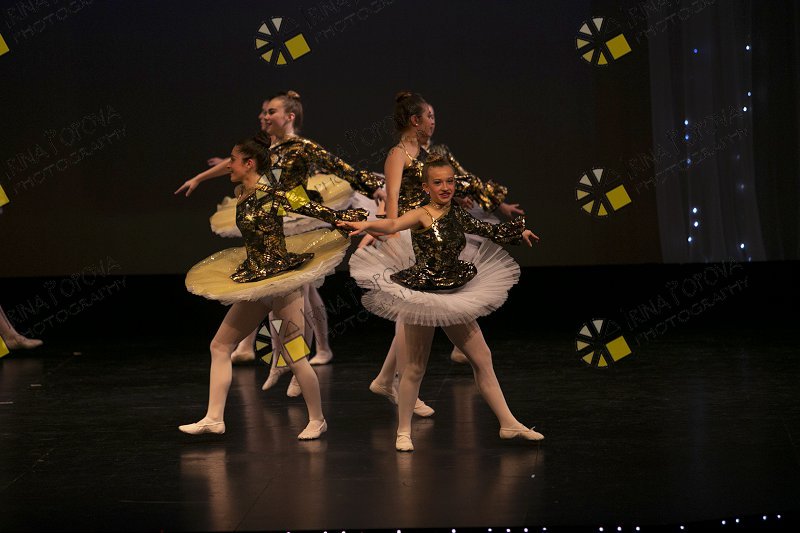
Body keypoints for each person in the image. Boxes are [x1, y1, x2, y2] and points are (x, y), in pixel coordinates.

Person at [341, 157, 544, 451]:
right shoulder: (421, 214)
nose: (445, 187)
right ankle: (403, 431)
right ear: (426, 187)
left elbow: (484, 229)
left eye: (449, 181)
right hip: (424, 294)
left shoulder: (456, 213)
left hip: (452, 291)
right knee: (414, 367)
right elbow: (393, 223)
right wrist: (365, 224)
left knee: (482, 357)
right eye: (438, 182)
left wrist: (518, 231)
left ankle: (508, 423)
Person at [179, 131, 367, 439]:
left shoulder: (272, 193)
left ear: (249, 163)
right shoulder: (242, 192)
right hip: (256, 282)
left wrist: (348, 220)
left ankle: (317, 419)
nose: (229, 165)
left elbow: (312, 209)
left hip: (281, 284)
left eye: (233, 160)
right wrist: (200, 177)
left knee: (294, 356)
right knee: (220, 345)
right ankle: (214, 418)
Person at [367, 92, 512, 416]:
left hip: (431, 231)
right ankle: (397, 382)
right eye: (429, 116)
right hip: (410, 233)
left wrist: (491, 202)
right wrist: (392, 237)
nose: (434, 122)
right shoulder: (399, 154)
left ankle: (389, 380)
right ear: (415, 120)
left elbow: (460, 180)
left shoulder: (430, 155)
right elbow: (393, 198)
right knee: (411, 312)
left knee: (413, 314)